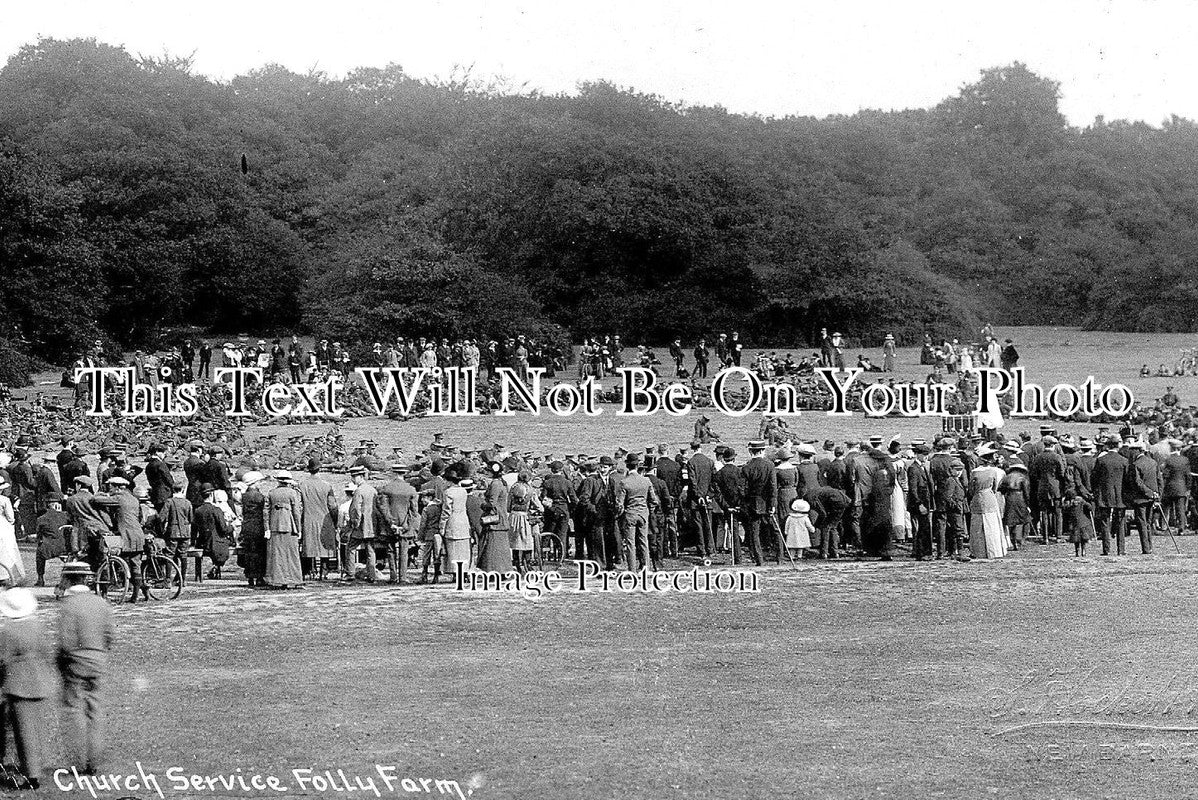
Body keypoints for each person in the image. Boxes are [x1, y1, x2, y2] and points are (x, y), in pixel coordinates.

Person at [57, 561, 114, 776]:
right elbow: (109, 635)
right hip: (98, 662)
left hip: (75, 664)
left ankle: (78, 761)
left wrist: (63, 663)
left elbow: (66, 641)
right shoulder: (101, 603)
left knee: (74, 711)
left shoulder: (69, 606)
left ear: (69, 579)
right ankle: (94, 761)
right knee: (95, 712)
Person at [0, 588, 53, 789]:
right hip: (40, 681)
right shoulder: (37, 625)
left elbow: (2, 659)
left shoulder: (7, 631)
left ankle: (32, 774)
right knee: (38, 728)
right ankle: (40, 765)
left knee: (24, 733)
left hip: (18, 684)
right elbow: (46, 651)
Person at [297, 460, 338, 579]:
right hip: (325, 520)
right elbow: (333, 506)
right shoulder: (327, 486)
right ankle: (323, 571)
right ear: (319, 469)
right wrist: (335, 521)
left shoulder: (302, 485)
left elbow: (299, 506)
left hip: (308, 519)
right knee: (324, 546)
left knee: (309, 545)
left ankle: (310, 570)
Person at [265, 471, 304, 589]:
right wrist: (299, 529)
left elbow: (265, 512)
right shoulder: (293, 493)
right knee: (291, 555)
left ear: (278, 480)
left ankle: (275, 579)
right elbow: (296, 512)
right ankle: (293, 578)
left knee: (276, 555)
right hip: (290, 526)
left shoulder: (271, 493)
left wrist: (267, 528)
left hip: (274, 526)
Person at [968, 444, 1007, 559]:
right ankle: (994, 550)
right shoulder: (993, 472)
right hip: (989, 497)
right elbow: (995, 487)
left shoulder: (975, 472)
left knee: (977, 525)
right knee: (992, 524)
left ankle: (978, 550)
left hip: (978, 497)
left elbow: (971, 488)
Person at [193, 483, 233, 580]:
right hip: (216, 543)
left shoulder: (198, 510)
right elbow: (223, 529)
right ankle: (216, 567)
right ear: (211, 495)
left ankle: (213, 569)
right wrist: (231, 527)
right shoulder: (216, 510)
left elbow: (194, 528)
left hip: (203, 543)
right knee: (228, 542)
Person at [345, 467, 378, 582]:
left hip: (360, 526)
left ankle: (350, 573)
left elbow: (355, 510)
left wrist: (355, 524)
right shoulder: (373, 490)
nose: (353, 479)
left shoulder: (359, 491)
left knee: (350, 548)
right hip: (371, 525)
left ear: (361, 477)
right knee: (370, 550)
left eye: (355, 477)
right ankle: (372, 575)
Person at [439, 464, 472, 577]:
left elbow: (446, 511)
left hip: (452, 520)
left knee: (453, 548)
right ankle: (464, 570)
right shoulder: (463, 491)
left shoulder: (448, 492)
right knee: (463, 548)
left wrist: (442, 526)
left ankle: (454, 572)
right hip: (463, 520)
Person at [33, 491, 68, 587]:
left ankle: (40, 578)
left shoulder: (41, 519)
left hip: (49, 548)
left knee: (39, 554)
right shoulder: (66, 516)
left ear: (47, 505)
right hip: (64, 547)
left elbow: (39, 536)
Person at [998, 462, 1031, 551]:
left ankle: (1013, 541)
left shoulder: (1006, 477)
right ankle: (1020, 540)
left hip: (1009, 498)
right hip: (1020, 497)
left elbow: (1001, 489)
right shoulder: (1022, 478)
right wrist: (1028, 504)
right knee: (1023, 519)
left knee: (1011, 520)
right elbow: (1026, 492)